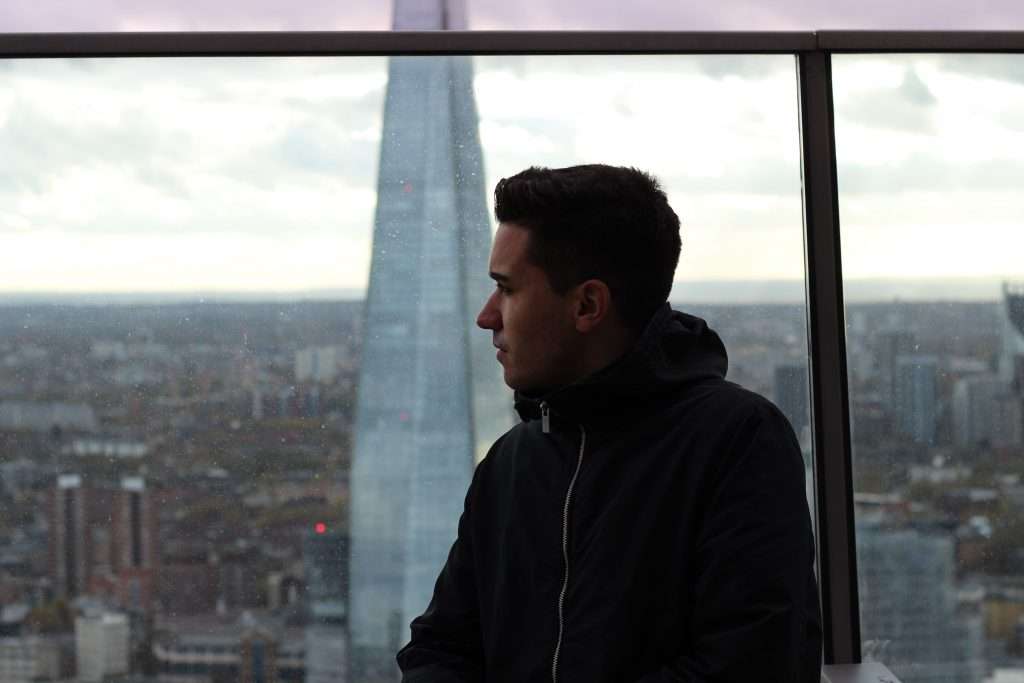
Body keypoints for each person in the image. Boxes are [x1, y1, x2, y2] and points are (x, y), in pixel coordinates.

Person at [396, 164, 822, 682]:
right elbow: (441, 649)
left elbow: (749, 665)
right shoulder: (510, 462)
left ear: (588, 304)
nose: (487, 316)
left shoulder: (737, 441)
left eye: (506, 289)